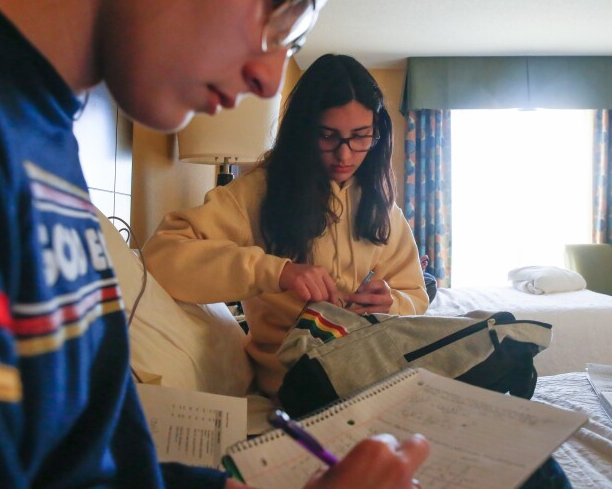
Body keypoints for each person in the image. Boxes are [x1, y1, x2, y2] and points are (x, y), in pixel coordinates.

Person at [0, 0, 428, 488]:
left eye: (293, 37)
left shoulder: (42, 133)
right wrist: (274, 270)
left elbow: (91, 465)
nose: (270, 80)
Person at [143, 54, 430, 396]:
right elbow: (163, 255)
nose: (345, 155)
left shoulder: (382, 208)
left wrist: (391, 303)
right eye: (328, 136)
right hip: (293, 380)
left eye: (360, 137)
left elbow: (415, 294)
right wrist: (277, 272)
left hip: (370, 368)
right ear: (304, 131)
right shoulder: (258, 192)